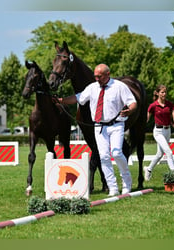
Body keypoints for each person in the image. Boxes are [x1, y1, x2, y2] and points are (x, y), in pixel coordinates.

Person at [56, 64, 137, 196]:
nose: (97, 79)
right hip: (99, 127)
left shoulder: (119, 86)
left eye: (99, 76)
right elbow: (78, 98)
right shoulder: (92, 88)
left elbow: (132, 102)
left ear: (107, 74)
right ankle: (113, 188)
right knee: (104, 156)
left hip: (116, 125)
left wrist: (130, 110)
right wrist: (61, 101)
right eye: (95, 76)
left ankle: (127, 182)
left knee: (116, 153)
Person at [144, 85, 174, 181]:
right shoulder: (153, 106)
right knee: (169, 152)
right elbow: (147, 119)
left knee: (159, 154)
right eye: (162, 92)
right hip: (158, 132)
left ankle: (148, 169)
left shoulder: (170, 104)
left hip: (167, 131)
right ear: (157, 93)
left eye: (165, 92)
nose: (164, 94)